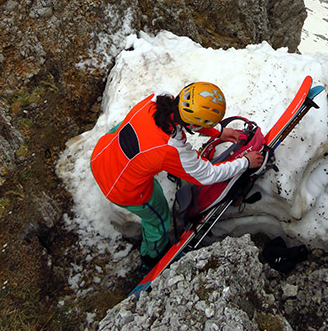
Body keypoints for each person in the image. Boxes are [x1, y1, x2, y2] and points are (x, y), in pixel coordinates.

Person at [91, 81, 263, 270]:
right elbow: (208, 174)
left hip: (103, 153)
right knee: (158, 220)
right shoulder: (171, 149)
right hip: (122, 188)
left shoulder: (157, 98)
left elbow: (185, 119)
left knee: (131, 130)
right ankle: (151, 257)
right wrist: (244, 162)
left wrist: (217, 132)